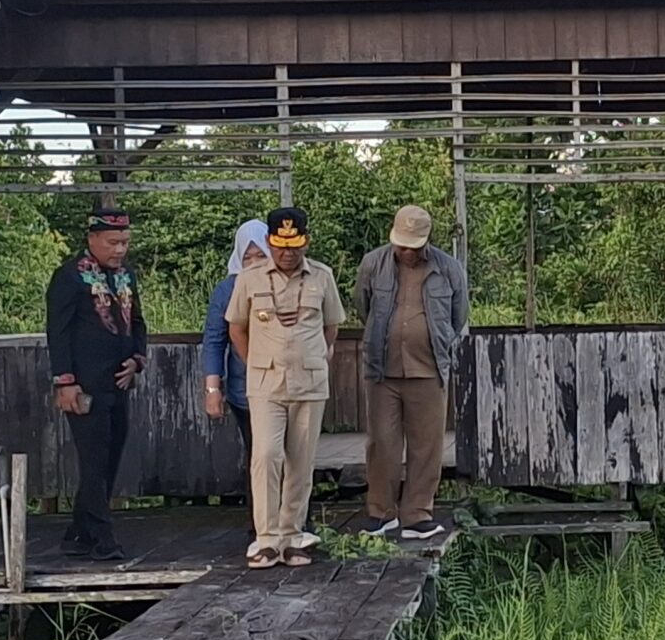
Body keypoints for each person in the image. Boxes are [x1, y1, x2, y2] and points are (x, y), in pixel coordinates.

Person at [226, 205, 345, 568]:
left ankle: (293, 536)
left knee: (301, 461)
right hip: (265, 383)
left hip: (309, 383)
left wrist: (319, 357)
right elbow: (236, 327)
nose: (287, 253)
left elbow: (332, 324)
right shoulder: (250, 278)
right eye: (280, 245)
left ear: (305, 242)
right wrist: (255, 363)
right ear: (270, 242)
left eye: (294, 245)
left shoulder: (322, 277)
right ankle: (266, 539)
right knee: (265, 456)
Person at [355, 203, 468, 540]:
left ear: (426, 240)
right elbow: (363, 305)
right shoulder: (373, 263)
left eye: (412, 245)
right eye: (400, 243)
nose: (405, 250)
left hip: (429, 368)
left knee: (427, 445)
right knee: (382, 443)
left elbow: (457, 315)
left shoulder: (449, 269)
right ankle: (381, 512)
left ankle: (418, 514)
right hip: (382, 369)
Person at [46, 206, 147, 561]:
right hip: (84, 385)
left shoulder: (126, 277)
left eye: (125, 242)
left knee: (111, 459)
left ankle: (79, 532)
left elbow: (137, 324)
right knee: (93, 459)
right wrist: (65, 382)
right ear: (92, 239)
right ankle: (104, 539)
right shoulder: (70, 277)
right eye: (113, 242)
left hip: (118, 383)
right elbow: (57, 334)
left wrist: (137, 360)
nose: (120, 250)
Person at [200, 218, 269, 433]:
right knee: (257, 454)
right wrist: (212, 389)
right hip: (244, 389)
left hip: (286, 388)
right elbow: (214, 341)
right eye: (247, 258)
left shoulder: (285, 284)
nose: (254, 263)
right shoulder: (227, 290)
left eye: (261, 256)